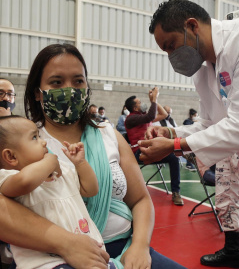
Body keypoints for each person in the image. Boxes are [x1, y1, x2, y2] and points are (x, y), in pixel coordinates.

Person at [22, 43, 186, 269]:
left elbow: (140, 200)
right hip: (58, 257)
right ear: (38, 93)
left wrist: (139, 246)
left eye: (78, 81)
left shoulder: (109, 134)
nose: (70, 89)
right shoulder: (23, 146)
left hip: (126, 248)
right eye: (57, 82)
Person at [138, 0, 239, 268]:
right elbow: (211, 123)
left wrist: (175, 145)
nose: (170, 56)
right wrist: (171, 131)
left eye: (171, 45)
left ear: (192, 26)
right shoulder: (203, 70)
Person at [0, 115, 115, 269]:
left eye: (39, 135)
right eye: (34, 137)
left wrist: (80, 163)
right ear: (11, 156)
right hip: (47, 263)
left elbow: (91, 190)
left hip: (88, 254)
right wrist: (50, 161)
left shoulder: (61, 170)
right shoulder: (8, 178)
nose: (43, 141)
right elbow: (25, 181)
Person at [125, 90, 184, 206]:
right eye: (139, 102)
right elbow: (151, 116)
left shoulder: (143, 117)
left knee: (174, 157)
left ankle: (176, 192)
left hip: (151, 149)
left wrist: (155, 101)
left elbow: (164, 115)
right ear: (135, 108)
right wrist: (154, 100)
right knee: (172, 155)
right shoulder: (131, 119)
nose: (142, 103)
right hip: (139, 153)